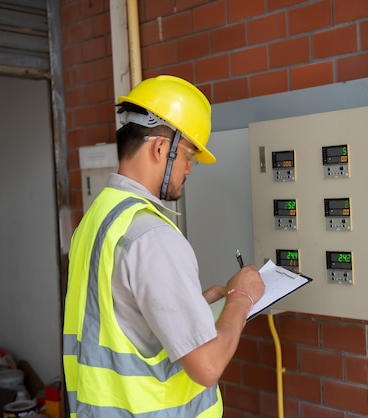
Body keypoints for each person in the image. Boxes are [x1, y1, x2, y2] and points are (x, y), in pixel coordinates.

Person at [62, 75, 265, 417]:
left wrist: (193, 309)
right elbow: (208, 366)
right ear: (160, 148)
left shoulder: (97, 218)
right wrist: (241, 298)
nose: (189, 169)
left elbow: (119, 322)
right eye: (189, 156)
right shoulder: (152, 235)